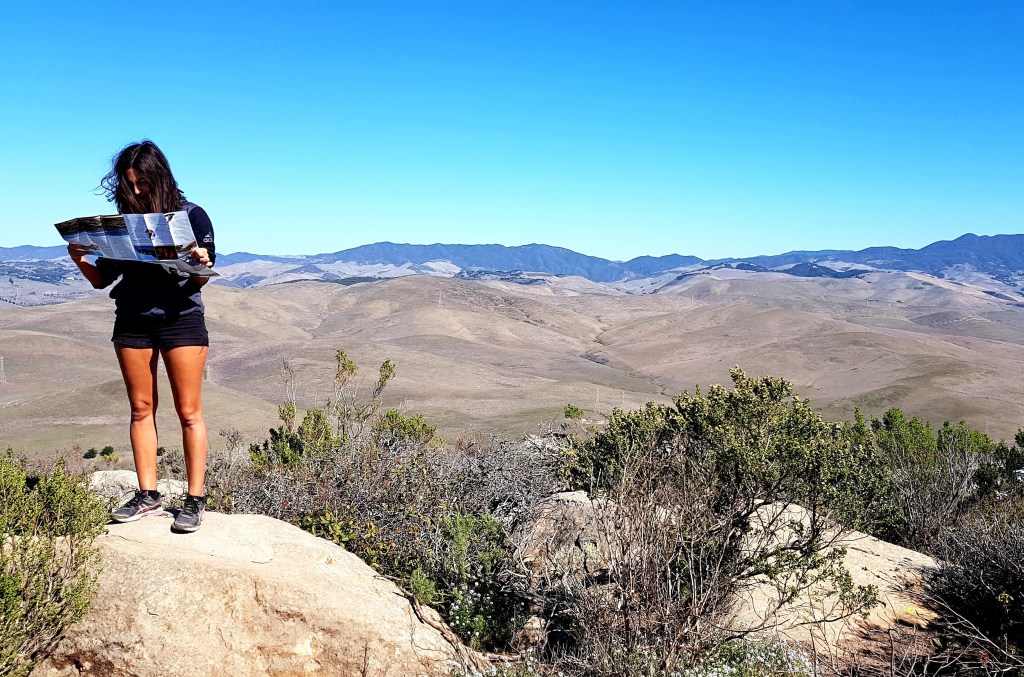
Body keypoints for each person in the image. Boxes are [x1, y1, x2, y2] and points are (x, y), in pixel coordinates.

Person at [67, 140, 215, 533]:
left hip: (180, 319)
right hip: (132, 320)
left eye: (142, 184)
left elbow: (201, 278)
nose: (135, 192)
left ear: (159, 177)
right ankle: (147, 495)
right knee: (140, 409)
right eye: (128, 184)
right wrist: (79, 256)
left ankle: (195, 499)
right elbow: (103, 280)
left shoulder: (192, 215)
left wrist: (200, 260)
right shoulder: (124, 222)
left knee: (188, 412)